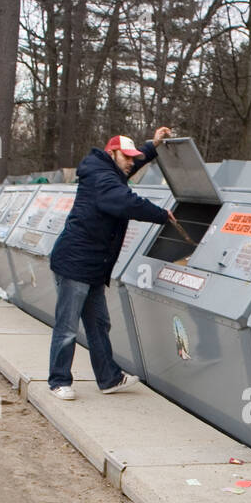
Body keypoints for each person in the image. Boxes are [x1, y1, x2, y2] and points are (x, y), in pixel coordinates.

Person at [47, 130, 176, 399]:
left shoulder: (107, 170)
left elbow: (130, 166)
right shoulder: (103, 180)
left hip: (93, 265)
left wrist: (152, 146)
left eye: (133, 158)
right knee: (67, 326)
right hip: (76, 263)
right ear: (111, 154)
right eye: (126, 158)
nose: (131, 163)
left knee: (98, 324)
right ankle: (59, 380)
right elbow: (127, 202)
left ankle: (109, 378)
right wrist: (162, 215)